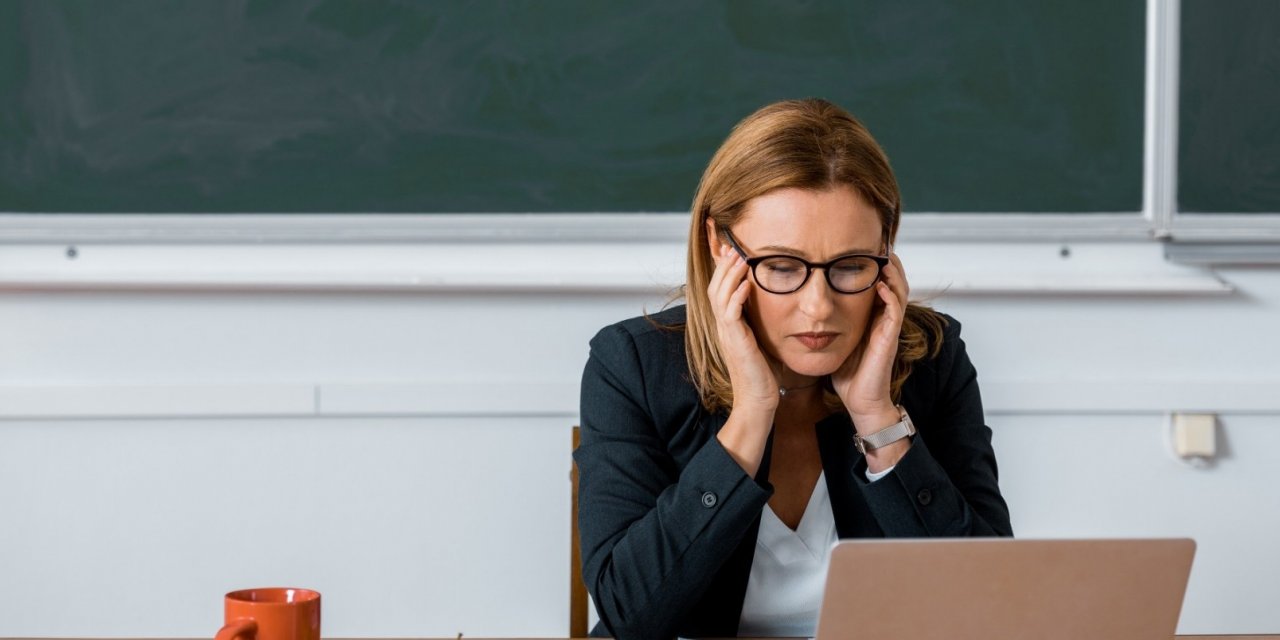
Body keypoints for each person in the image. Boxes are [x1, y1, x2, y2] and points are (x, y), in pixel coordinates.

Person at [575, 98, 1012, 640]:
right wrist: (751, 417)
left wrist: (879, 421)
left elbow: (985, 607)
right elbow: (631, 616)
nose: (818, 308)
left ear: (887, 248)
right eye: (782, 267)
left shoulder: (932, 359)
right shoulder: (633, 365)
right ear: (719, 247)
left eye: (851, 266)